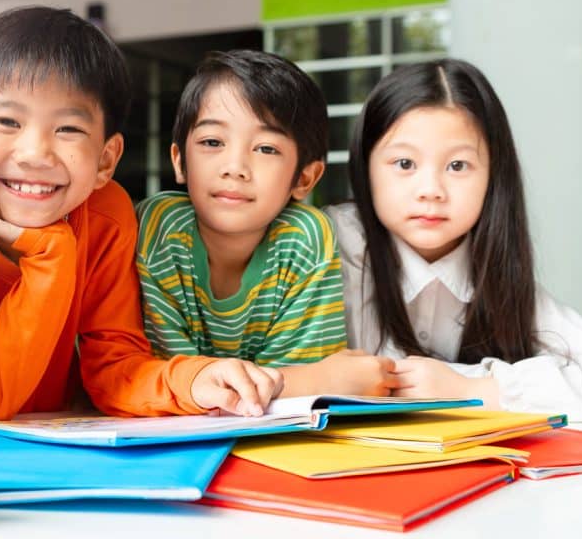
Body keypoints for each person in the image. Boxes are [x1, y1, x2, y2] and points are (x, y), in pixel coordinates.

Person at [0, 6, 283, 430]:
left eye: (68, 130)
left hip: (58, 438)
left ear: (106, 159)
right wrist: (49, 253)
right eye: (7, 121)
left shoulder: (104, 216)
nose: (36, 154)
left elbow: (114, 369)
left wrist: (195, 380)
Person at [326, 58, 582, 418]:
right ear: (366, 166)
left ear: (493, 177)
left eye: (457, 166)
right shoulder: (327, 246)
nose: (431, 190)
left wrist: (473, 389)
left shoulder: (494, 267)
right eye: (405, 164)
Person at [137, 50, 397, 397]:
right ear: (180, 161)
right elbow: (172, 389)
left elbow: (291, 408)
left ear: (305, 178)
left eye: (265, 149)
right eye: (212, 142)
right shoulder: (158, 231)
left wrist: (292, 385)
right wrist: (317, 380)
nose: (235, 167)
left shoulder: (305, 238)